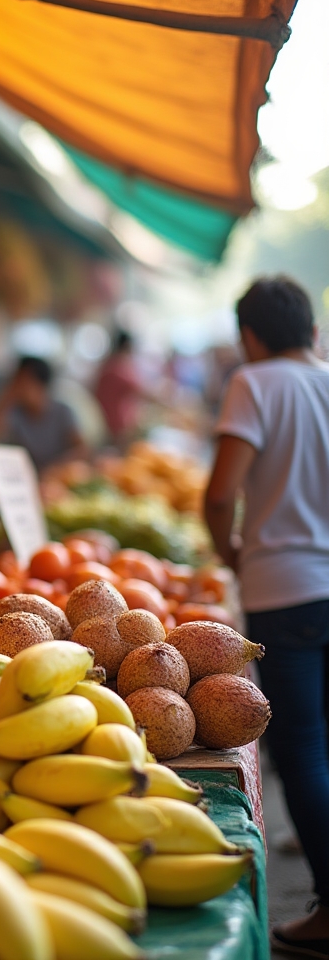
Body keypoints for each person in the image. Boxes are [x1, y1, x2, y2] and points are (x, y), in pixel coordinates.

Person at [204, 275, 329, 958]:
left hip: (285, 589)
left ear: (249, 336)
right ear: (310, 330)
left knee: (303, 748)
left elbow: (222, 493)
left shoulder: (255, 384)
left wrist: (231, 552)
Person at [0, 356, 85, 472]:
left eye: (24, 381)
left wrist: (57, 468)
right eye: (17, 381)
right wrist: (7, 398)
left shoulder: (62, 412)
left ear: (40, 385)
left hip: (56, 478)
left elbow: (82, 449)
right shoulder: (16, 411)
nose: (20, 386)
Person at [94, 330, 146, 443]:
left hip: (105, 420)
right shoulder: (118, 368)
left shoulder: (107, 364)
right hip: (115, 424)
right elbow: (140, 390)